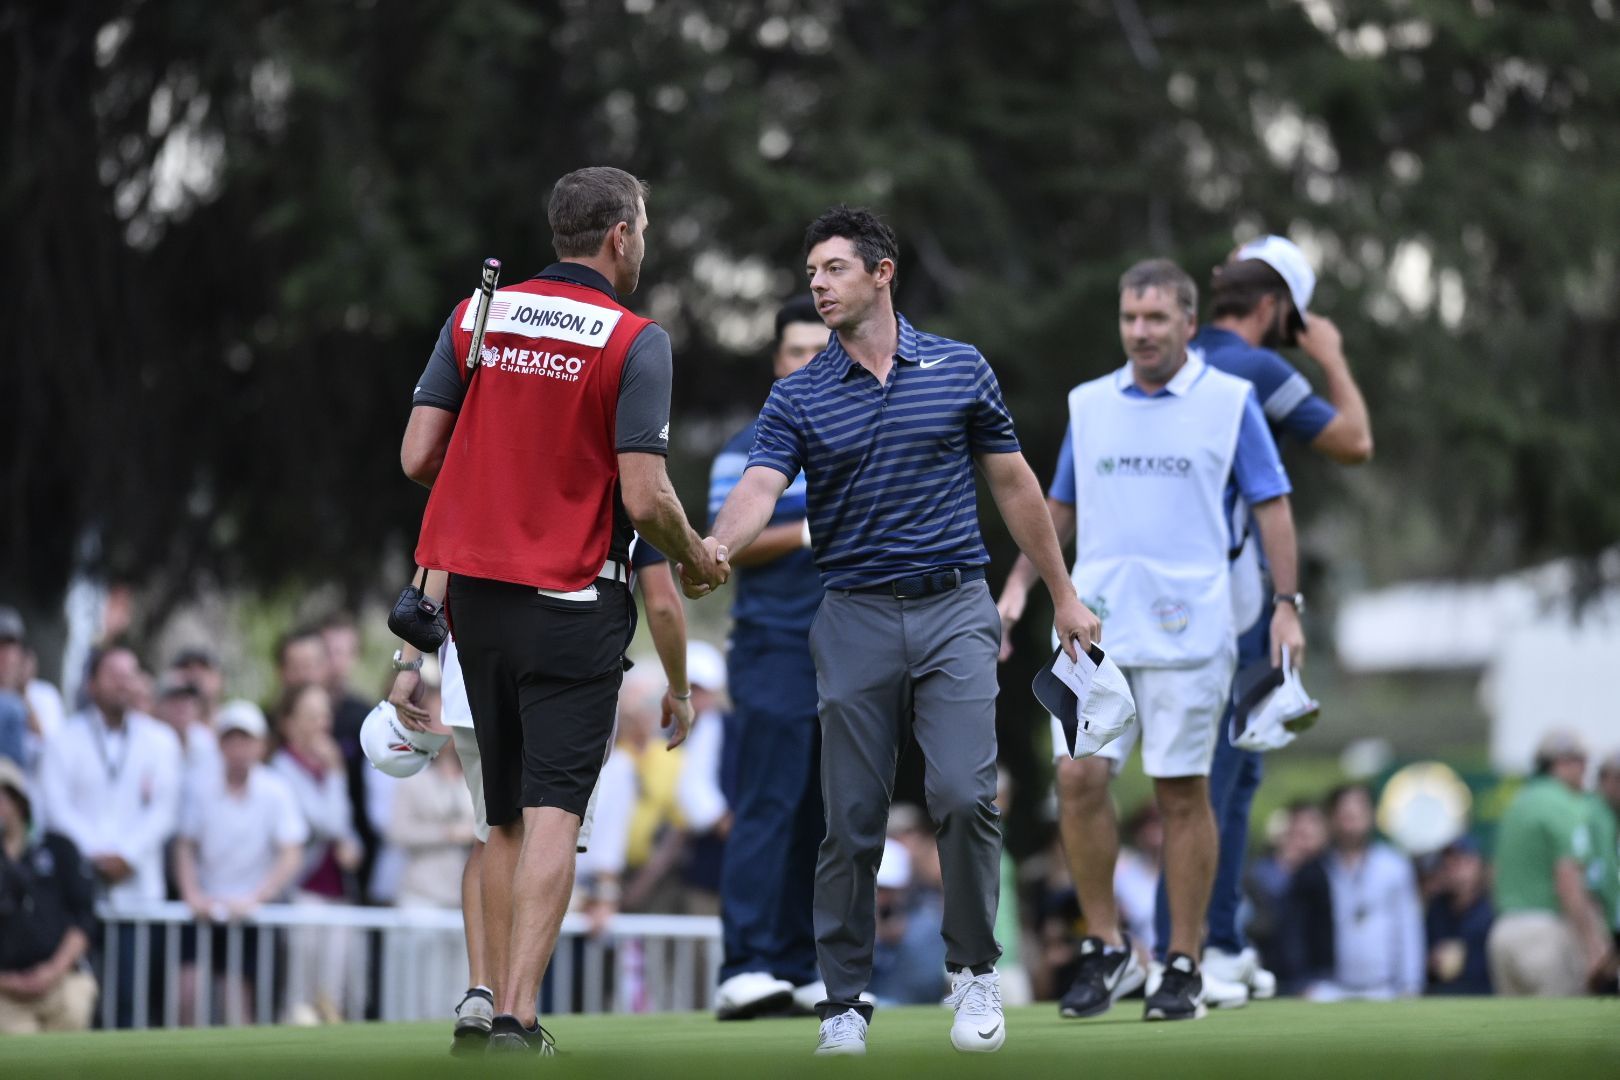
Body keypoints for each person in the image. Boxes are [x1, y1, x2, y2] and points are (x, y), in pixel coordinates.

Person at [703, 206, 1096, 1056]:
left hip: (957, 605)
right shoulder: (798, 394)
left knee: (963, 792)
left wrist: (1060, 594)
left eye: (835, 268)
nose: (817, 283)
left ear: (882, 274)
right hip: (853, 614)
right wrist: (718, 547)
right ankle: (843, 998)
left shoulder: (959, 368)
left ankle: (974, 972)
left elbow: (1016, 485)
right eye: (812, 270)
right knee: (850, 818)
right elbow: (760, 487)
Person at [397, 165, 723, 1054]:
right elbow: (647, 497)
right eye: (644, 228)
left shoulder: (480, 313)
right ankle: (517, 1016)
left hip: (478, 605)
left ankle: (484, 1001)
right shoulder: (635, 338)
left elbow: (420, 453)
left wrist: (502, 483)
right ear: (620, 236)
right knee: (553, 815)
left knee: (499, 816)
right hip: (574, 602)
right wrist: (698, 558)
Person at [996, 259, 1304, 1022]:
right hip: (1094, 628)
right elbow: (1057, 507)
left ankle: (1184, 961)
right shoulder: (1091, 404)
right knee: (1077, 779)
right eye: (1131, 318)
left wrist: (1287, 604)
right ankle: (1107, 948)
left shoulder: (1230, 401)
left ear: (1188, 325)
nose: (1141, 331)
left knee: (1180, 792)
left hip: (1195, 631)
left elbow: (1273, 507)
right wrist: (1017, 588)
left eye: (1156, 319)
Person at [1150, 235, 1374, 1001]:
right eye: (1294, 321)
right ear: (1277, 309)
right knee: (1219, 775)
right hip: (1232, 596)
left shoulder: (1173, 363)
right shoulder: (1257, 366)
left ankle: (1209, 939)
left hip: (1163, 597)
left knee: (1206, 774)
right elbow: (1354, 441)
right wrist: (1332, 355)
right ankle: (1194, 945)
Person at [389, 535, 693, 1052]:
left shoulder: (480, 463)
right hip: (569, 652)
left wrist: (409, 660)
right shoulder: (612, 474)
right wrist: (680, 690)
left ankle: (482, 992)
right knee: (550, 826)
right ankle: (515, 1014)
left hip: (475, 661)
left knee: (494, 832)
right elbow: (662, 598)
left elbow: (441, 542)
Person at [705, 295, 828, 1019]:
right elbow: (726, 542)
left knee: (822, 813)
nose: (811, 363)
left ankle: (799, 960)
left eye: (824, 350)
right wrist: (815, 528)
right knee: (769, 805)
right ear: (777, 361)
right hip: (774, 647)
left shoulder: (852, 436)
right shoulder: (749, 444)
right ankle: (745, 962)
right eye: (797, 351)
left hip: (844, 653)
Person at [35, 644, 182, 1026]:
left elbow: (164, 809)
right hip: (77, 893)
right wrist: (97, 854)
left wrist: (126, 855)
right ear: (92, 683)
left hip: (138, 892)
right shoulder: (63, 739)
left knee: (131, 1000)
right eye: (113, 675)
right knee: (81, 1001)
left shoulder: (161, 741)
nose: (123, 684)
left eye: (129, 675)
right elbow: (56, 806)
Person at [173, 700, 307, 1025]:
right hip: (205, 909)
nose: (239, 748)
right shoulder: (200, 786)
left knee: (237, 1004)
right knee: (187, 995)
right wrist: (192, 894)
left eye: (246, 740)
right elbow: (184, 846)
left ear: (260, 745)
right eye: (231, 739)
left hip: (250, 916)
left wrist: (256, 898)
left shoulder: (276, 790)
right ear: (220, 744)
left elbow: (291, 851)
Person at [1489, 730, 1614, 995]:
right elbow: (1569, 881)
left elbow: (1495, 871)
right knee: (1561, 1032)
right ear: (1562, 764)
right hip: (1545, 935)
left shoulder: (1518, 803)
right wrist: (1592, 944)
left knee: (1514, 1033)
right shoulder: (1567, 806)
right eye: (1581, 761)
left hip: (1503, 933)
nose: (1585, 769)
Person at [270, 682, 361, 1023]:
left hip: (337, 894)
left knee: (331, 996)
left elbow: (346, 830)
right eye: (311, 716)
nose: (321, 724)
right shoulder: (281, 769)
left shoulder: (324, 767)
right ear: (289, 722)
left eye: (324, 715)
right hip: (301, 892)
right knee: (299, 996)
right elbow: (329, 823)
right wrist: (338, 773)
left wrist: (354, 846)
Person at [0, 757, 99, 1034]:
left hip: (62, 981)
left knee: (75, 1006)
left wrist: (53, 971)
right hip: (5, 994)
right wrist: (9, 982)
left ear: (19, 802)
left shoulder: (58, 848)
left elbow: (84, 917)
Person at [1306, 783, 1423, 1000]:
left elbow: (1408, 926)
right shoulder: (1317, 869)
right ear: (1332, 819)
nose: (1350, 821)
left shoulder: (1394, 865)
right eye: (1344, 814)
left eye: (1357, 813)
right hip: (1331, 988)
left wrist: (1411, 982)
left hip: (1384, 988)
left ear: (1371, 815)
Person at [673, 641, 736, 916]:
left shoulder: (719, 725)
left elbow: (695, 792)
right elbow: (694, 793)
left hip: (724, 865)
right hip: (705, 868)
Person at [1425, 836, 1494, 995]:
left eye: (1463, 861)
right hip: (1439, 997)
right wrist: (1432, 960)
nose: (1455, 867)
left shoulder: (1491, 909)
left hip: (1482, 997)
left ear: (1478, 864)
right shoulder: (1437, 909)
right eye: (1449, 862)